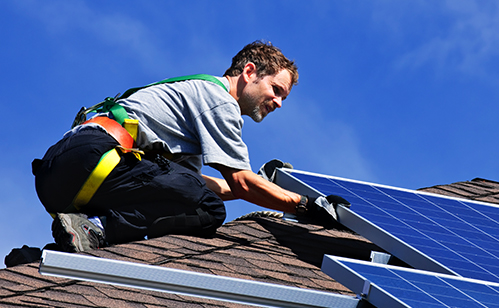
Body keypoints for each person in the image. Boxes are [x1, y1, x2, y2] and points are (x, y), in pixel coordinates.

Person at [32, 40, 345, 253]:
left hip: (61, 173)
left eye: (284, 98)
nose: (278, 102)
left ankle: (53, 254)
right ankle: (96, 229)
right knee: (207, 210)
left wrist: (262, 185)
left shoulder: (194, 95)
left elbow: (194, 184)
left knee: (196, 195)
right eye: (276, 90)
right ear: (249, 72)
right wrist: (304, 205)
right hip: (94, 160)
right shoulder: (220, 101)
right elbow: (237, 182)